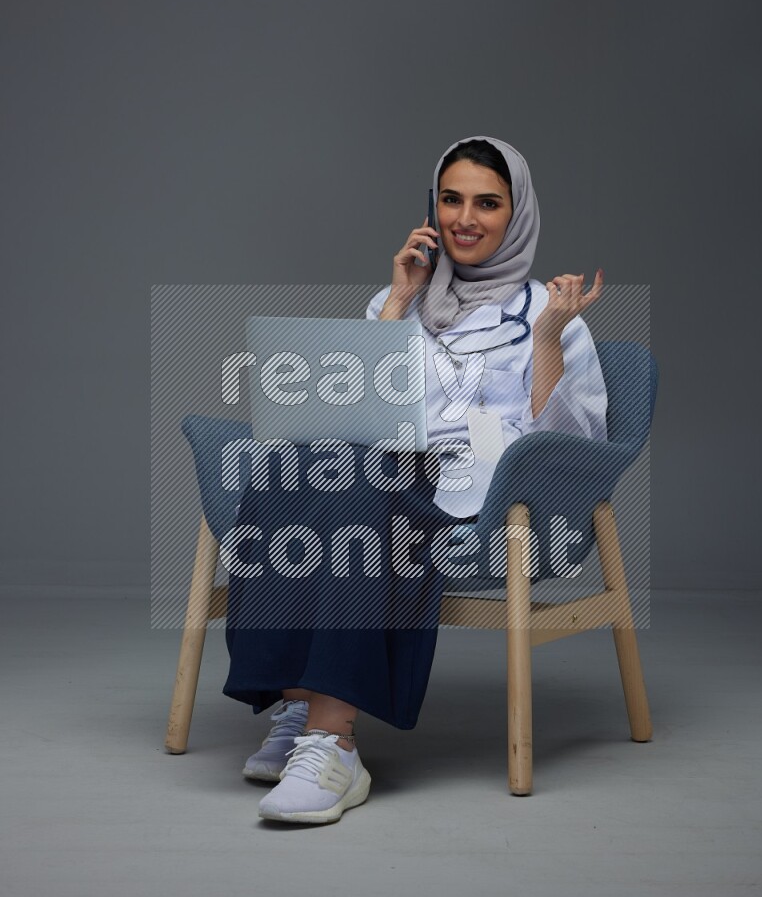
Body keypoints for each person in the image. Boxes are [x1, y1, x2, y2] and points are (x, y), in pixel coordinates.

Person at [225, 136, 607, 825]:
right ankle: (298, 701)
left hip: (480, 498)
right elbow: (343, 408)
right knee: (286, 464)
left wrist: (548, 335)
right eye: (450, 198)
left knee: (357, 490)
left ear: (516, 214)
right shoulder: (395, 300)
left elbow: (565, 445)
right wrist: (399, 299)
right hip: (386, 471)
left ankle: (331, 741)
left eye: (487, 202)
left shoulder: (549, 315)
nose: (465, 216)